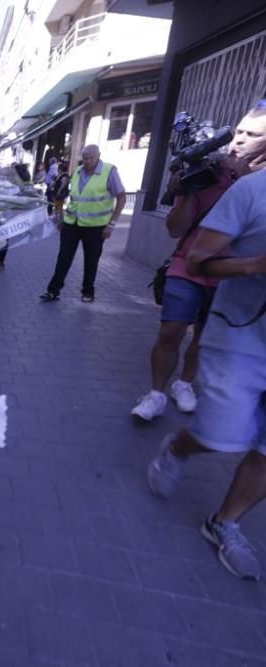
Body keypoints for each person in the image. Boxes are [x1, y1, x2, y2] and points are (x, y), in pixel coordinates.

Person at [147, 166, 266, 580]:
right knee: (219, 434)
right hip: (244, 334)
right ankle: (178, 448)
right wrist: (257, 265)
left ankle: (224, 522)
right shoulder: (253, 188)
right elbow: (197, 257)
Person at [130, 155, 245, 421]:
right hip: (188, 266)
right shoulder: (205, 172)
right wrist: (190, 191)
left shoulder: (253, 181)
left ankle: (183, 383)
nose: (240, 141)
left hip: (231, 270)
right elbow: (174, 229)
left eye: (252, 135)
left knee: (205, 336)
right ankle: (156, 395)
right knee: (171, 330)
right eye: (239, 133)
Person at [39, 144, 126, 303]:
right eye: (84, 158)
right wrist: (61, 218)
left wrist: (111, 224)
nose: (86, 161)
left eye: (90, 158)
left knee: (91, 259)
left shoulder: (109, 171)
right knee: (64, 257)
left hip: (96, 226)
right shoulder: (78, 171)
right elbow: (69, 196)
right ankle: (53, 291)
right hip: (72, 223)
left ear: (98, 156)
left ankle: (88, 291)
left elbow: (121, 197)